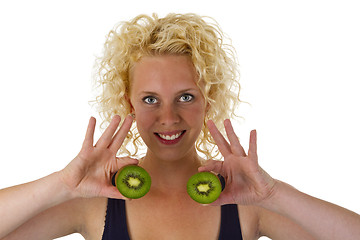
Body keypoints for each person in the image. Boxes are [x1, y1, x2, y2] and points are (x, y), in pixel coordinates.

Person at [0, 13, 359, 240]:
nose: (168, 117)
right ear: (128, 103)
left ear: (208, 99)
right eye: (150, 99)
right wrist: (60, 185)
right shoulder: (93, 200)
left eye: (185, 97)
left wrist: (275, 196)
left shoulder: (247, 201)